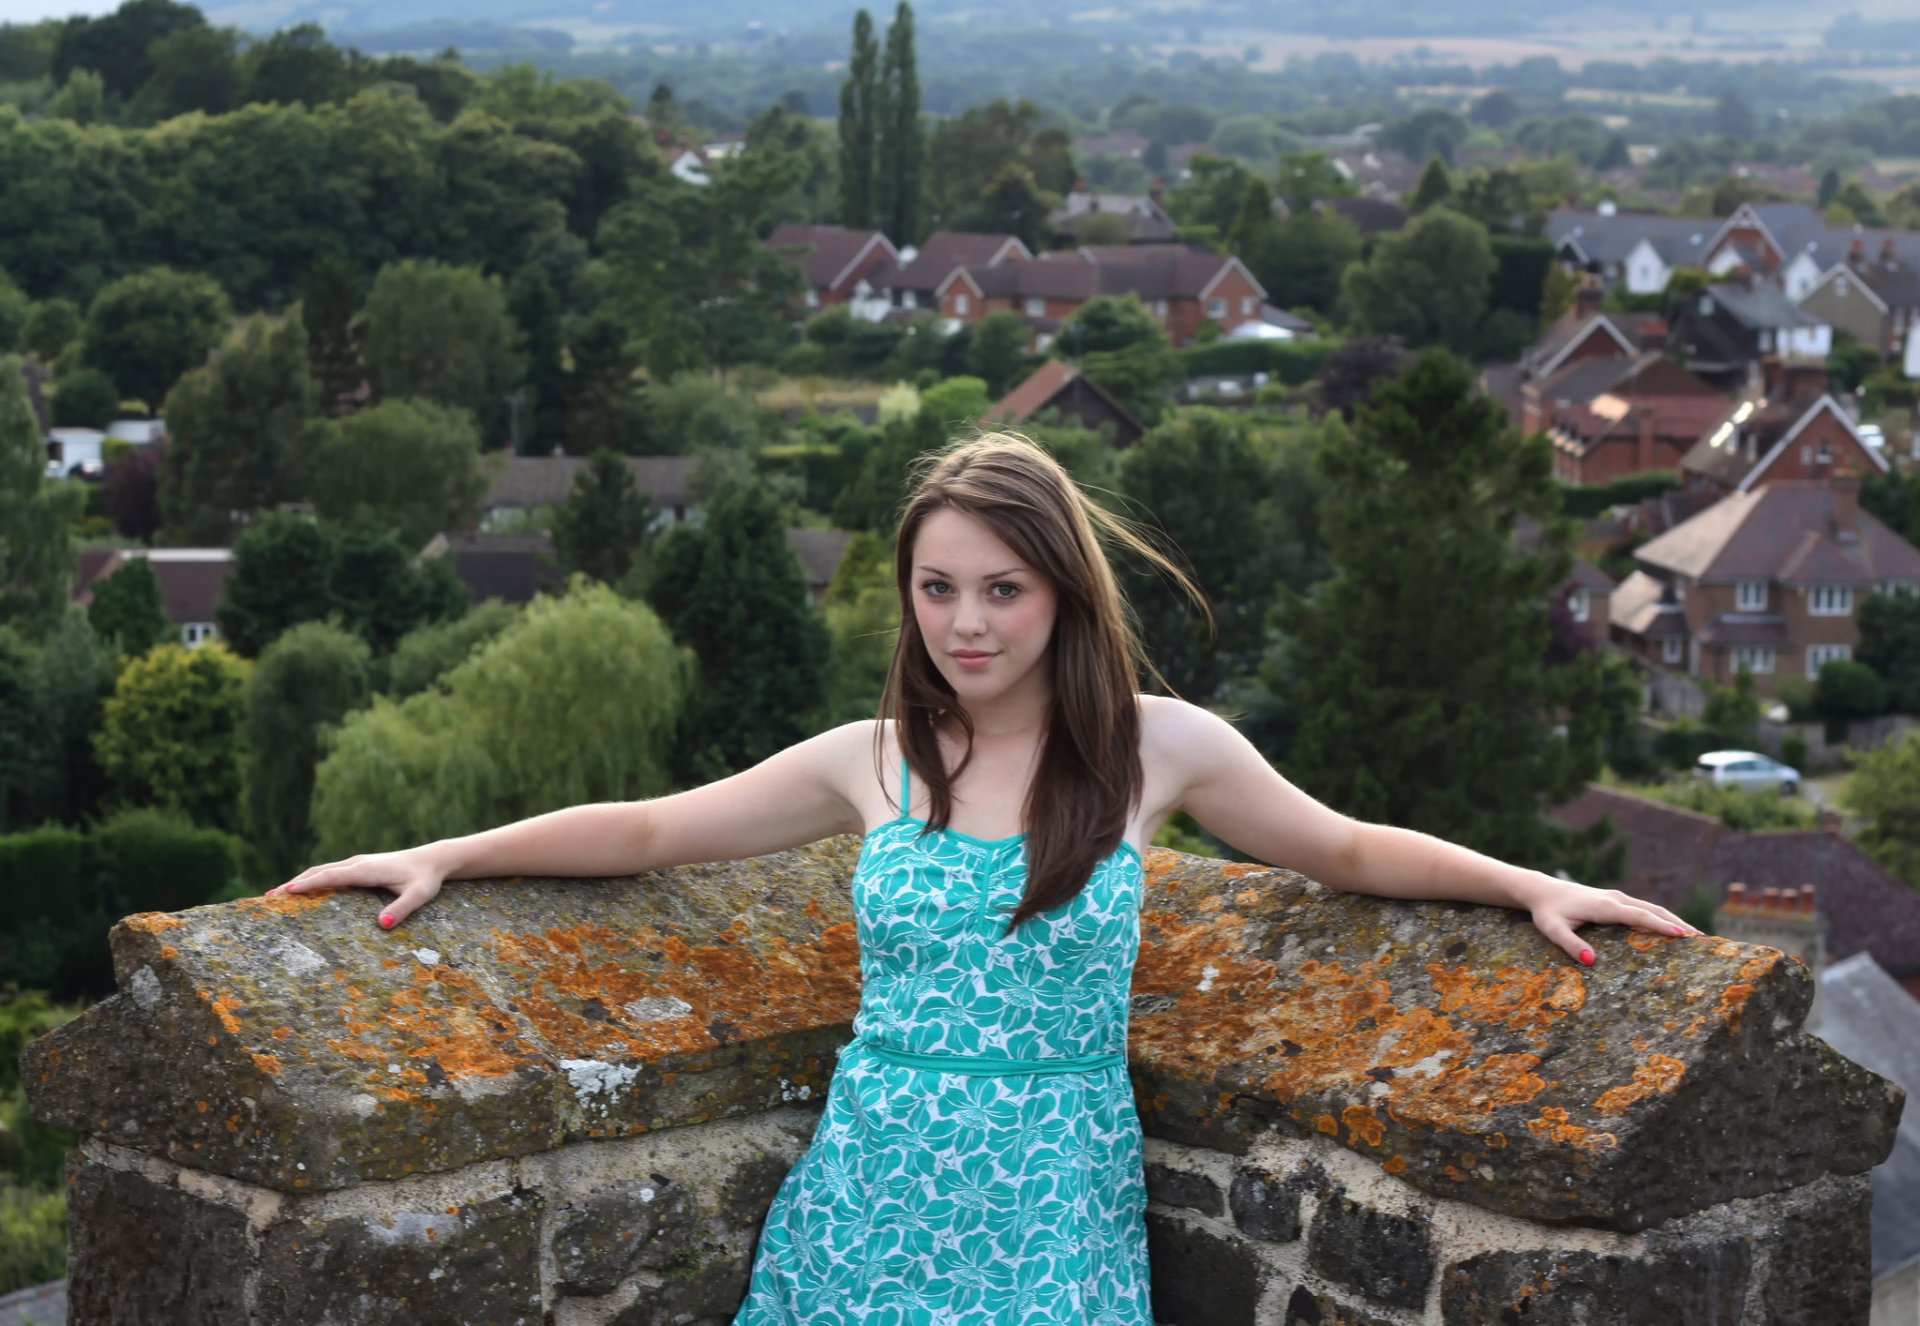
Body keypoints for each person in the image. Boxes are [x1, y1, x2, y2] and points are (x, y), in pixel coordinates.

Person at [270, 433, 1700, 1323]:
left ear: (1064, 593)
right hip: (870, 1185)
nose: (967, 622)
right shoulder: (873, 758)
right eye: (938, 587)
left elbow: (1344, 850)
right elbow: (650, 831)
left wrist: (1529, 885)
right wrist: (446, 854)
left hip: (1048, 1205)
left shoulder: (1161, 749)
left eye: (1003, 588)